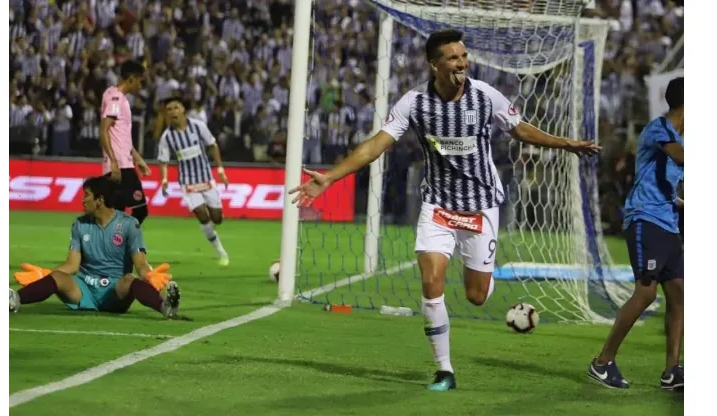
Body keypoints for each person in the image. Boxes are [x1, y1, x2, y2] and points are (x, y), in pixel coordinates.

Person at [289, 29, 600, 391]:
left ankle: (486, 274)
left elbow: (520, 130)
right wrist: (330, 178)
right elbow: (376, 145)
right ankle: (445, 370)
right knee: (431, 281)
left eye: (463, 56)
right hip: (437, 204)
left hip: (481, 205)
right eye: (453, 58)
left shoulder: (486, 96)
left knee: (476, 295)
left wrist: (566, 144)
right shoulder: (414, 102)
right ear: (434, 64)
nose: (462, 63)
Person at [588, 77, 684, 391]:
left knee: (680, 293)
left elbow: (666, 181)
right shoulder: (659, 130)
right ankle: (602, 362)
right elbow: (681, 158)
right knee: (645, 293)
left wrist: (682, 203)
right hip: (646, 219)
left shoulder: (682, 136)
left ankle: (672, 370)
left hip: (668, 221)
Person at [10, 176, 181, 319]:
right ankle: (14, 299)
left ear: (99, 200)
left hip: (114, 291)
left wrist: (149, 274)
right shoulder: (80, 224)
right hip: (84, 289)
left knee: (129, 279)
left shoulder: (129, 224)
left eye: (86, 195)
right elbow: (71, 265)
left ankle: (165, 307)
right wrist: (44, 275)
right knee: (57, 277)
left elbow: (140, 264)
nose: (82, 200)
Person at [158, 97, 231, 266]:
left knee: (217, 218)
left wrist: (220, 169)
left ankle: (207, 228)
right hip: (188, 182)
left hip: (206, 178)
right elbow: (163, 160)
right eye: (169, 109)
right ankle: (221, 251)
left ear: (183, 109)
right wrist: (164, 179)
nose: (172, 112)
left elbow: (213, 145)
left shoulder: (198, 126)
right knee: (202, 214)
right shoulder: (167, 137)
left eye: (175, 107)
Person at [100, 59, 151, 225]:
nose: (140, 86)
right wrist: (114, 161)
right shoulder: (116, 99)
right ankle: (121, 243)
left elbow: (121, 136)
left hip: (122, 162)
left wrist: (138, 159)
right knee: (141, 209)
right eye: (140, 81)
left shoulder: (111, 94)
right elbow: (104, 130)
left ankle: (112, 246)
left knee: (118, 213)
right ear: (131, 79)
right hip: (121, 166)